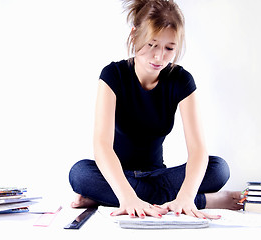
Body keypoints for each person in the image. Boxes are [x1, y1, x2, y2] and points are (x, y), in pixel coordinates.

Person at [69, 0, 243, 219]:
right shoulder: (113, 75)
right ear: (134, 35)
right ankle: (206, 200)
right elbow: (102, 146)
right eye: (152, 45)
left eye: (169, 48)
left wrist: (187, 195)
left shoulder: (181, 80)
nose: (159, 57)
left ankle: (103, 197)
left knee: (219, 168)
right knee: (79, 173)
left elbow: (198, 150)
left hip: (160, 174)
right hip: (117, 175)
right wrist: (127, 197)